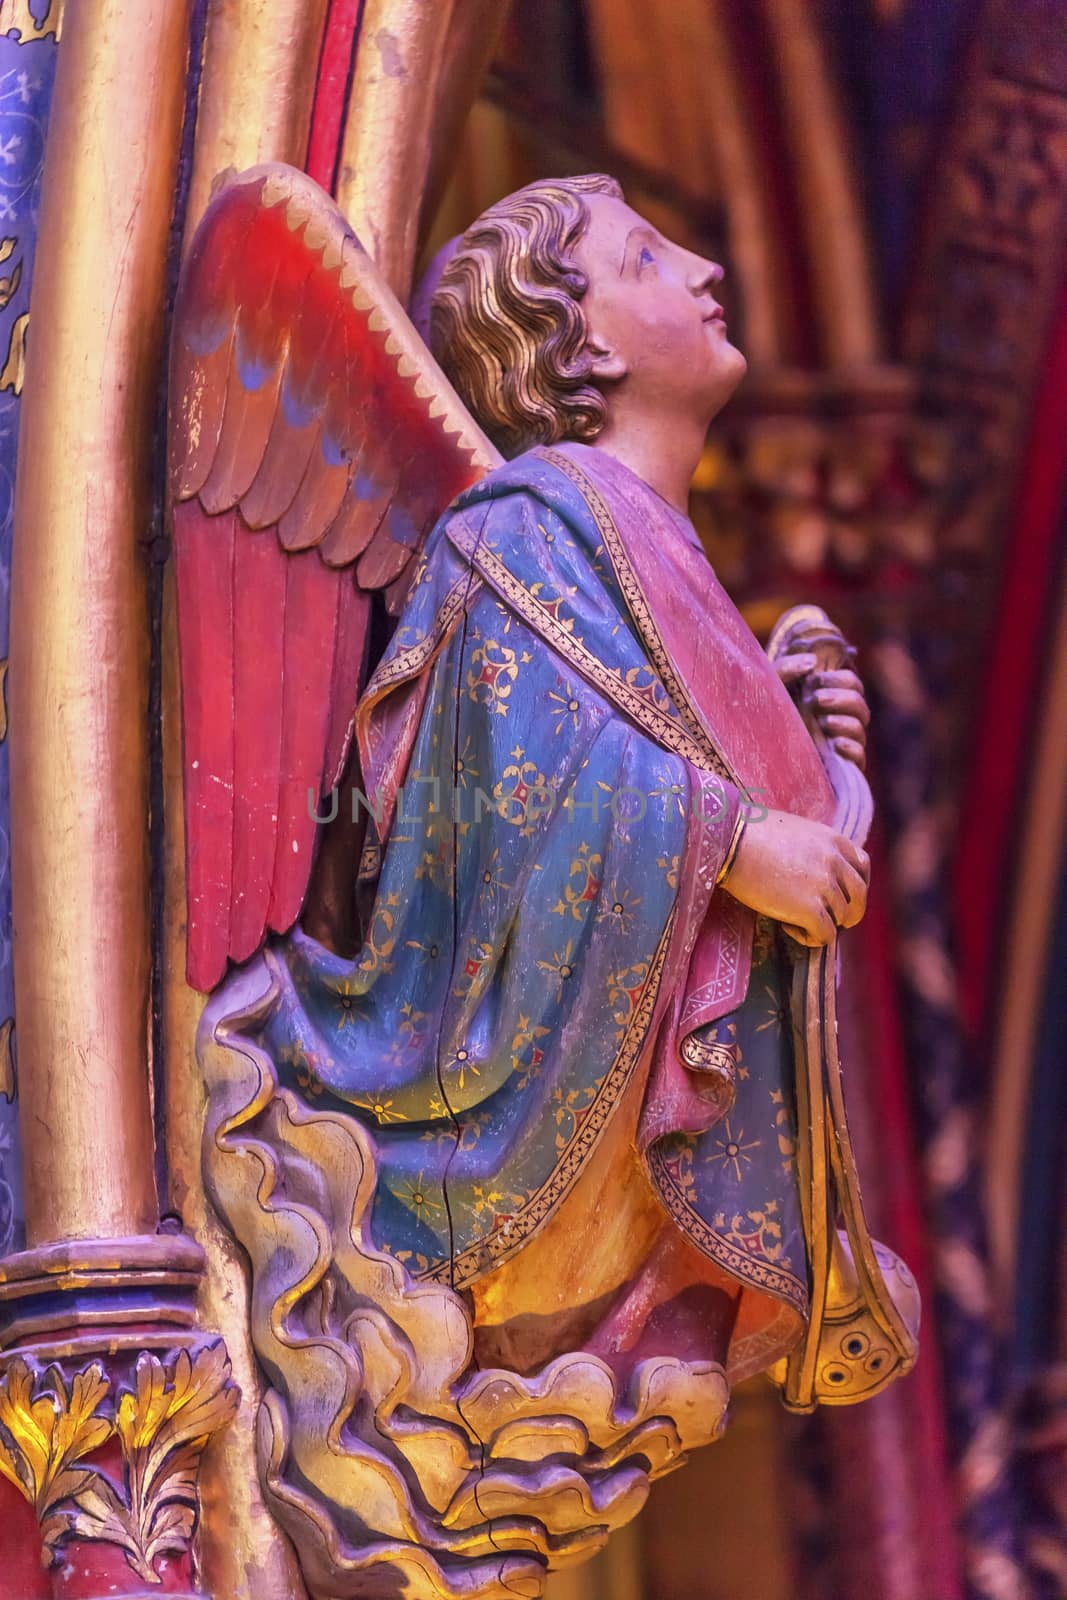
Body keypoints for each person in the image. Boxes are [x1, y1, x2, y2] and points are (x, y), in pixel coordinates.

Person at [242, 174, 872, 1391]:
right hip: (489, 1117)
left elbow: (700, 776)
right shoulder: (524, 530)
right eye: (645, 260)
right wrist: (733, 842)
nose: (702, 269)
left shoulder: (644, 545)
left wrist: (807, 748)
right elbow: (515, 795)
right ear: (573, 342)